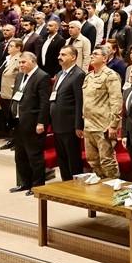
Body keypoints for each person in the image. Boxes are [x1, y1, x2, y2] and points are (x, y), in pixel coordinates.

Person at [81, 46, 123, 180]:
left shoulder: (110, 76)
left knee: (107, 161)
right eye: (91, 54)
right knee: (92, 160)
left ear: (105, 58)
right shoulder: (88, 76)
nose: (92, 56)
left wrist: (113, 125)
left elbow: (116, 101)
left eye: (96, 54)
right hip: (89, 125)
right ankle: (102, 186)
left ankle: (114, 187)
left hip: (103, 125)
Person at [13, 51, 51, 194]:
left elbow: (44, 103)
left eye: (24, 62)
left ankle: (37, 185)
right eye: (20, 62)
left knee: (34, 156)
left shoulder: (42, 77)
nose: (21, 65)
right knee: (20, 156)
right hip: (18, 121)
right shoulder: (20, 76)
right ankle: (26, 183)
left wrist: (41, 122)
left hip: (33, 122)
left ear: (33, 61)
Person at [49, 45, 85, 182]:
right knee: (62, 157)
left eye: (64, 54)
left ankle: (75, 185)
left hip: (70, 124)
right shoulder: (60, 74)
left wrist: (78, 125)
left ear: (73, 57)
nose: (59, 57)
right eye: (60, 54)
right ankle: (66, 182)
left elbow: (79, 102)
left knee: (72, 158)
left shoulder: (78, 74)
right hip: (57, 122)